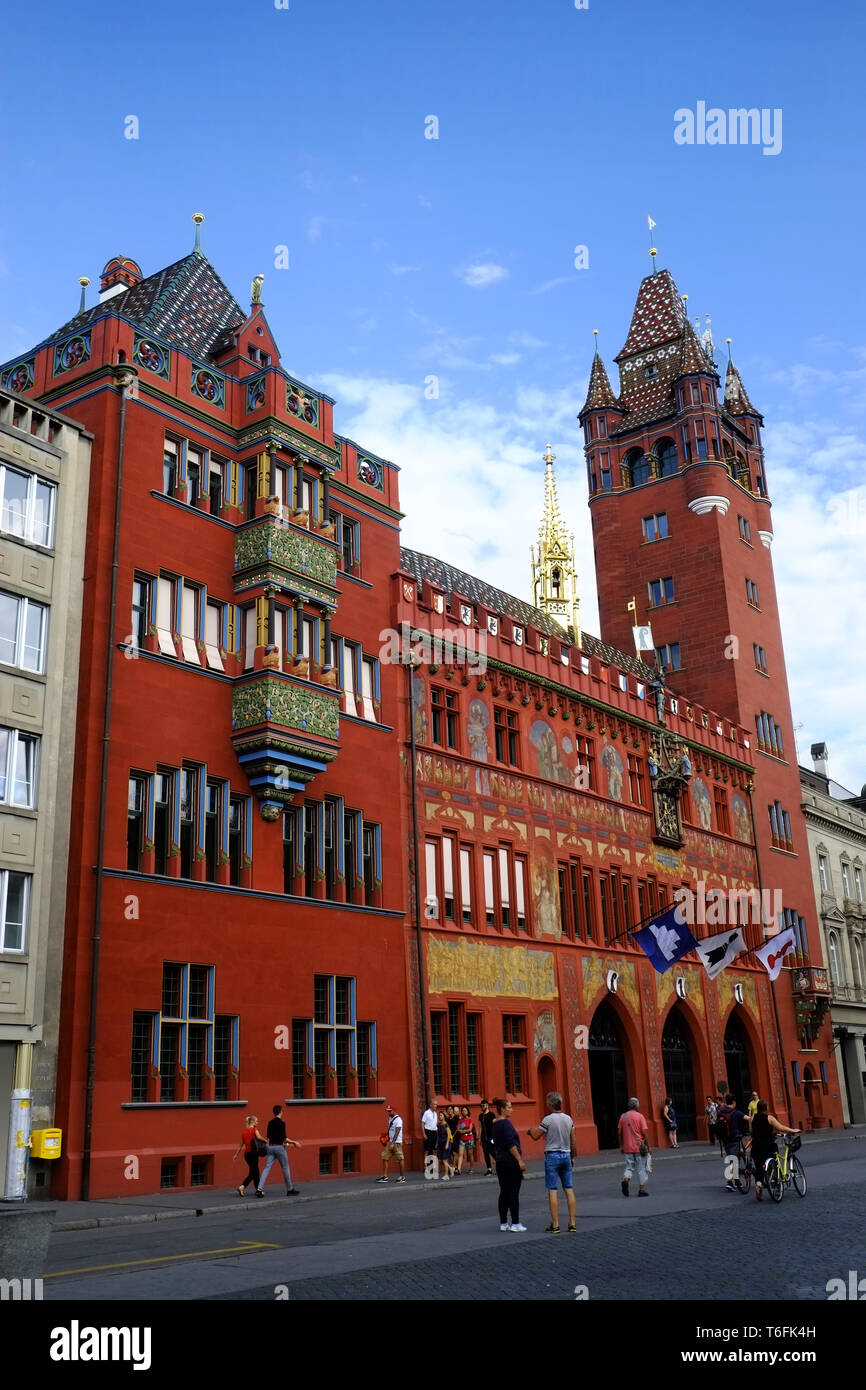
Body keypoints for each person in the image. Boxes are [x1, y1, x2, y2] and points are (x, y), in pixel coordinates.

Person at [528, 1091, 577, 1233]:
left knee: (552, 1190)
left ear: (550, 1104)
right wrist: (572, 1156)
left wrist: (530, 1131)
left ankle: (555, 1224)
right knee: (569, 1188)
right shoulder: (569, 1119)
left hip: (552, 1156)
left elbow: (537, 1136)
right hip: (566, 1155)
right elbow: (573, 1139)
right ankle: (572, 1223)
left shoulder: (547, 1120)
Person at [750, 1101, 799, 1201]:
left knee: (760, 1169)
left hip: (755, 1147)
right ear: (766, 1107)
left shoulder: (752, 1118)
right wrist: (793, 1130)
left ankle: (758, 1184)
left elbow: (751, 1131)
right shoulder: (769, 1118)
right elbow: (781, 1128)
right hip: (768, 1146)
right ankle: (777, 1186)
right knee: (774, 1165)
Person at [491, 1097, 526, 1231]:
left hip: (500, 1161)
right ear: (502, 1109)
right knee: (513, 1192)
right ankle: (516, 1223)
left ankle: (503, 1223)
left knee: (504, 1192)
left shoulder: (495, 1124)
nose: (512, 1109)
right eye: (509, 1107)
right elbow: (511, 1145)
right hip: (510, 1162)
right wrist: (519, 1160)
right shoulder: (506, 1123)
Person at [257, 1104, 301, 1197]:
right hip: (280, 1148)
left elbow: (268, 1137)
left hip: (271, 1147)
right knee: (285, 1168)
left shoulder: (270, 1123)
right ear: (280, 1112)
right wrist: (294, 1142)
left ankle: (259, 1189)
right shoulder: (282, 1123)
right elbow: (284, 1138)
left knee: (266, 1168)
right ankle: (290, 1189)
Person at [618, 1097, 651, 1197]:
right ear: (637, 1106)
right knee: (641, 1169)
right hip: (639, 1147)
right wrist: (649, 1146)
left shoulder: (623, 1116)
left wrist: (621, 1145)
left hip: (628, 1147)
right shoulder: (640, 1116)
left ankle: (626, 1180)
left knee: (629, 1167)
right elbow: (644, 1133)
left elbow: (619, 1132)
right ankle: (641, 1190)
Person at [719, 1092, 748, 1191]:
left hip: (725, 1139)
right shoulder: (736, 1112)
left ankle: (733, 1181)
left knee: (732, 1159)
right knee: (734, 1161)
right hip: (734, 1139)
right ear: (734, 1102)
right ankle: (730, 1181)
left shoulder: (721, 1111)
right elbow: (748, 1118)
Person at [234, 1114, 265, 1196]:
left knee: (255, 1172)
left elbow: (241, 1145)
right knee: (254, 1173)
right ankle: (242, 1186)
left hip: (247, 1155)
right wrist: (265, 1140)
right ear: (252, 1121)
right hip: (253, 1154)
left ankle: (258, 1190)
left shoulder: (244, 1132)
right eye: (256, 1121)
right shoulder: (254, 1129)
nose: (258, 1122)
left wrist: (236, 1154)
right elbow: (258, 1137)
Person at [378, 1103, 406, 1183]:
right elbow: (390, 1130)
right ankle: (385, 1176)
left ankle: (402, 1177)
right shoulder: (390, 1118)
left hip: (397, 1143)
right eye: (388, 1111)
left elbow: (397, 1131)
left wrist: (393, 1142)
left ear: (394, 1111)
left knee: (400, 1159)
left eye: (390, 1111)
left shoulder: (399, 1120)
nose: (388, 1112)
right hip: (390, 1142)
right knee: (384, 1157)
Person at [456, 1105, 477, 1174]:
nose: (463, 1112)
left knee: (470, 1154)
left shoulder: (470, 1119)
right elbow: (458, 1129)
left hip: (469, 1138)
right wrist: (461, 1131)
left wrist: (463, 1131)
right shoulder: (460, 1120)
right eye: (462, 1110)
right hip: (462, 1139)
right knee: (460, 1154)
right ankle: (459, 1169)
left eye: (465, 1110)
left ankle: (471, 1168)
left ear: (468, 1112)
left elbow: (470, 1129)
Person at [478, 1099, 495, 1175]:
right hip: (484, 1138)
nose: (482, 1107)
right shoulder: (481, 1116)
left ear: (487, 1106)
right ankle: (489, 1169)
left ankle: (501, 1167)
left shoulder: (492, 1114)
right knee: (486, 1154)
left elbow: (495, 1125)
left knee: (494, 1153)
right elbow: (480, 1127)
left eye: (483, 1105)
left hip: (491, 1137)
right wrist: (479, 1138)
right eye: (481, 1106)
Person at [422, 1098, 438, 1168]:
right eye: (434, 1104)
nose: (436, 1106)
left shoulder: (435, 1113)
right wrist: (424, 1134)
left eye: (436, 1105)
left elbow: (436, 1124)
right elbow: (422, 1123)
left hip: (434, 1132)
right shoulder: (426, 1112)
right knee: (427, 1149)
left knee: (434, 1149)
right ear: (431, 1105)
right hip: (428, 1131)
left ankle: (434, 1165)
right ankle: (425, 1165)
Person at [436, 1109, 453, 1179]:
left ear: (444, 1116)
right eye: (439, 1115)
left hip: (445, 1144)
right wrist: (437, 1143)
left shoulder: (446, 1125)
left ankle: (446, 1175)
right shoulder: (439, 1124)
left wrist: (446, 1144)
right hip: (440, 1144)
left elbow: (449, 1135)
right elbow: (438, 1135)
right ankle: (450, 1168)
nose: (439, 1117)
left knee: (444, 1160)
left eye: (441, 1115)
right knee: (440, 1160)